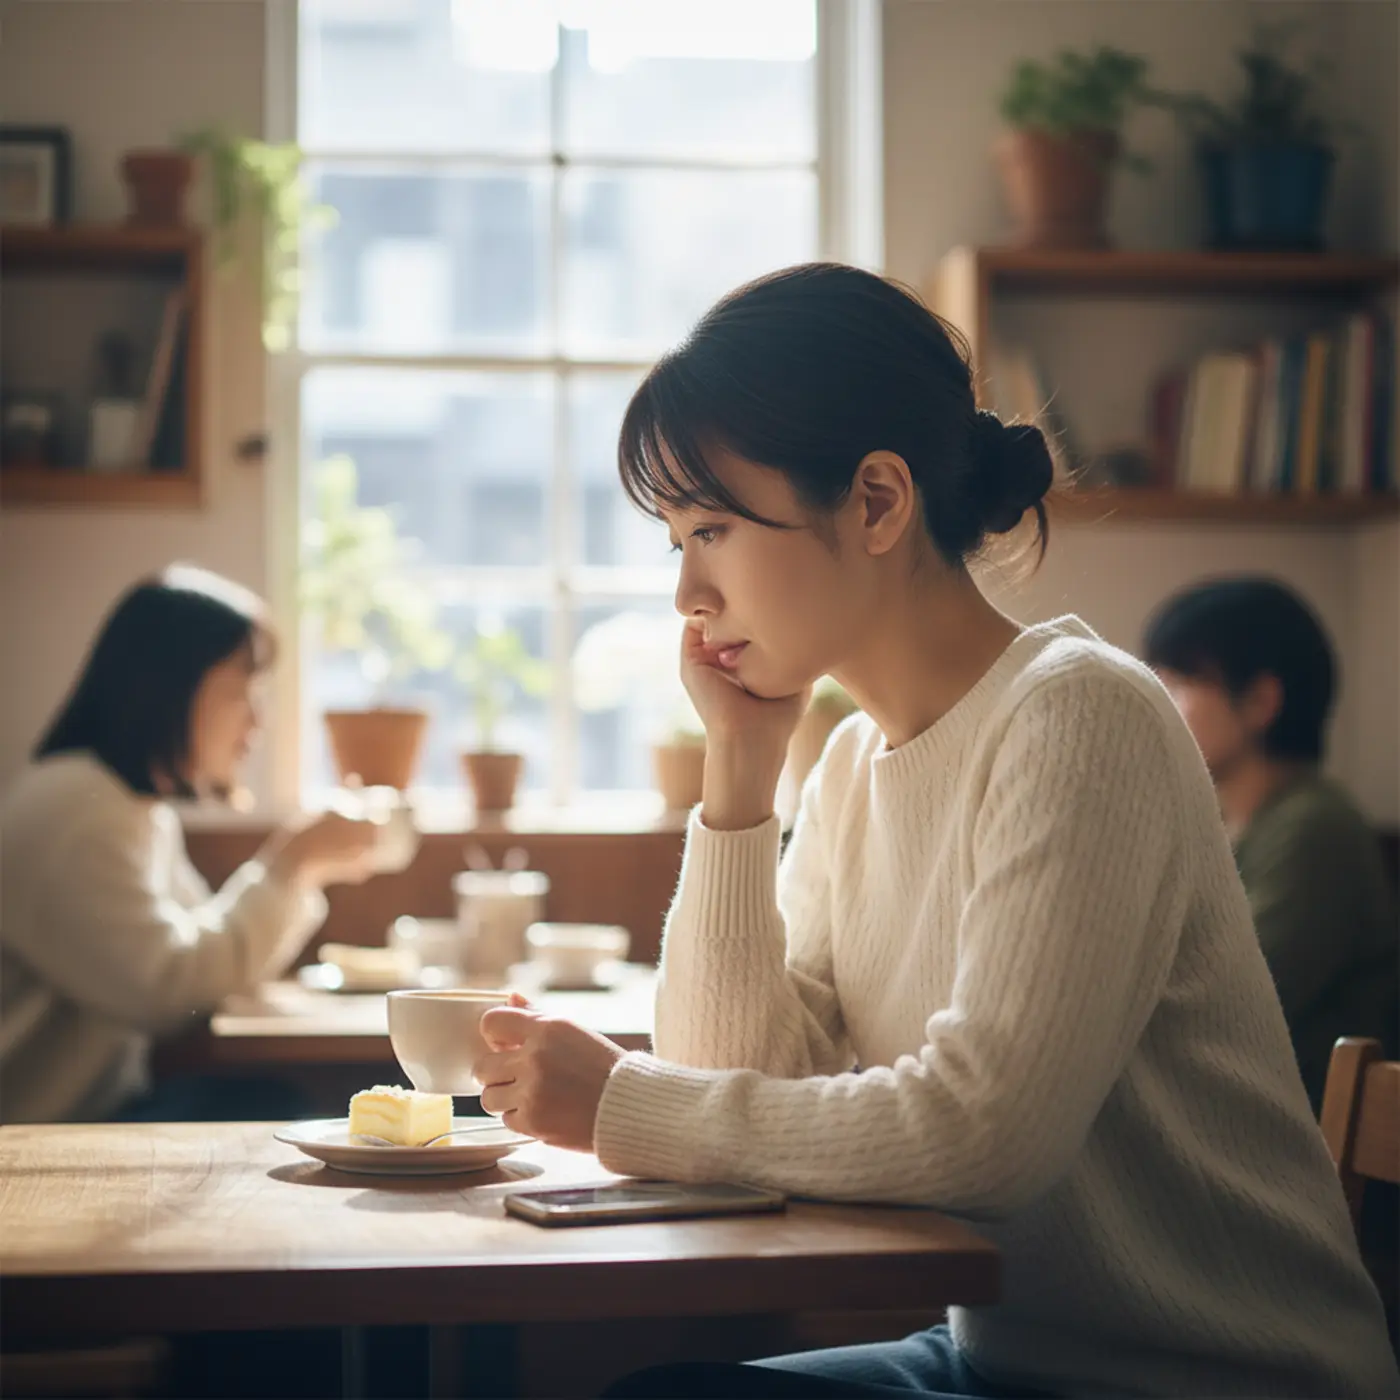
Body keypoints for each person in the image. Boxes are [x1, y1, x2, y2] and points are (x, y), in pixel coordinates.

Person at [473, 264, 1399, 1399]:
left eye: (712, 526)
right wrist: (739, 776)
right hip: (1006, 1360)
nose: (687, 596)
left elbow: (984, 1134)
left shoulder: (1078, 713)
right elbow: (735, 1072)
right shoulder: (851, 764)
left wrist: (625, 1102)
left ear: (875, 501)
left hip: (1218, 1379)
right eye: (677, 541)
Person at [0, 565, 377, 1124]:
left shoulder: (128, 807)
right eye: (242, 691)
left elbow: (207, 957)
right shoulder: (77, 811)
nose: (258, 719)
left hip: (87, 1110)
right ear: (169, 688)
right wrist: (290, 863)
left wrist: (300, 868)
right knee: (280, 1111)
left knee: (276, 1105)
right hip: (35, 1132)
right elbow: (177, 992)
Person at [1144, 576, 1397, 1114]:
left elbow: (1226, 1000)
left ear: (1261, 701)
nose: (1160, 702)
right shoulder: (1218, 823)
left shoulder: (1316, 828)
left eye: (1182, 682)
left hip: (1296, 1139)